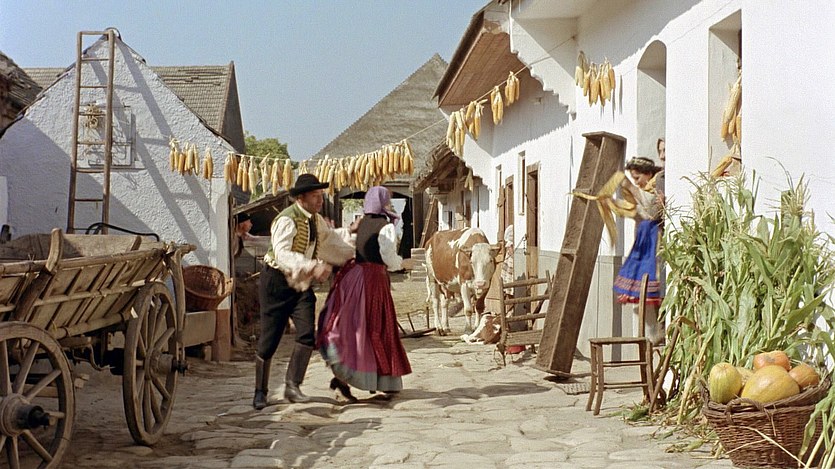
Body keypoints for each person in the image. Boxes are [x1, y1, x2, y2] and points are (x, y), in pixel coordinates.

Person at [253, 173, 353, 410]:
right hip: (276, 282)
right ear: (301, 198)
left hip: (301, 285)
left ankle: (292, 386)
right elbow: (282, 253)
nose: (320, 200)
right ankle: (260, 392)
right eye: (315, 196)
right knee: (269, 339)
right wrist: (311, 266)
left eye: (321, 195)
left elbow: (330, 241)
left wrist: (354, 253)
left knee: (307, 334)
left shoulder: (316, 221)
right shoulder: (286, 220)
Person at [316, 186, 413, 403]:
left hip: (355, 279)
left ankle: (346, 377)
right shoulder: (385, 227)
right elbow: (388, 258)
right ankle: (380, 380)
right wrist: (403, 263)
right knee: (377, 326)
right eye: (387, 200)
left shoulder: (362, 223)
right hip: (373, 281)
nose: (389, 203)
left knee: (356, 328)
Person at [613, 156, 665, 344]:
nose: (637, 182)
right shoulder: (647, 190)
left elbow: (653, 211)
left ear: (648, 174)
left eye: (638, 177)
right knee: (646, 289)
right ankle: (655, 331)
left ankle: (659, 330)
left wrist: (630, 187)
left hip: (653, 243)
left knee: (654, 287)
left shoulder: (657, 186)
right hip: (644, 243)